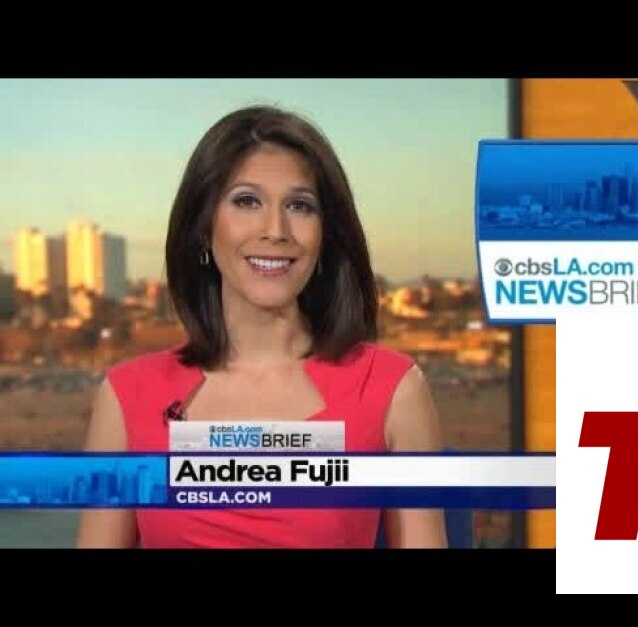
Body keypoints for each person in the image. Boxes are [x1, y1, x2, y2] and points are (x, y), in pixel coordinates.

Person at [76, 105, 449, 548]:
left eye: (300, 205)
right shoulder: (126, 396)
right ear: (203, 227)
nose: (276, 229)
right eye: (247, 201)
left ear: (326, 235)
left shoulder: (393, 389)